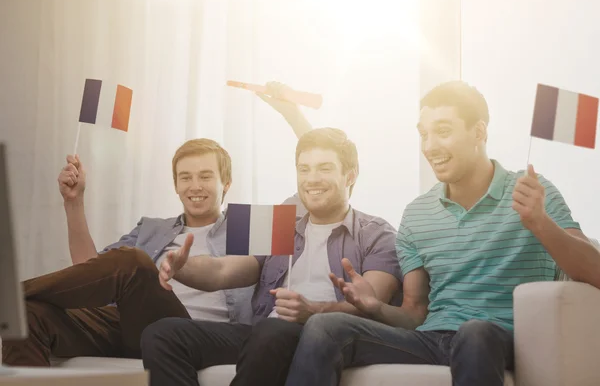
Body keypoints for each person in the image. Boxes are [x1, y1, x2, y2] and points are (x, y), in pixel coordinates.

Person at [282, 80, 600, 386]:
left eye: (443, 132)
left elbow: (595, 271)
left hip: (500, 339)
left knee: (474, 333)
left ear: (479, 131)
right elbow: (415, 313)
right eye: (424, 135)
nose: (430, 146)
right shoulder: (417, 214)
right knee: (325, 326)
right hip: (431, 339)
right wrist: (375, 307)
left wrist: (541, 223)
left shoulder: (534, 192)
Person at [1, 82, 309, 366]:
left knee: (133, 262)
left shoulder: (249, 225)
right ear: (175, 185)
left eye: (205, 176)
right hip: (130, 325)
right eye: (185, 177)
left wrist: (293, 115)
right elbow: (89, 271)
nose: (195, 186)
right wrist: (74, 202)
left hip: (195, 336)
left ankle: (10, 296)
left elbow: (312, 189)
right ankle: (14, 303)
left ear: (226, 183)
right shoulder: (153, 229)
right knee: (28, 317)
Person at [141, 127, 403, 386]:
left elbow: (373, 305)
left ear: (350, 176)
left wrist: (312, 312)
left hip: (322, 337)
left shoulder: (376, 234)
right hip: (263, 333)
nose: (311, 179)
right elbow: (222, 271)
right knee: (161, 333)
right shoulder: (281, 224)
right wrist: (181, 267)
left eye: (324, 168)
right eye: (304, 169)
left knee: (272, 331)